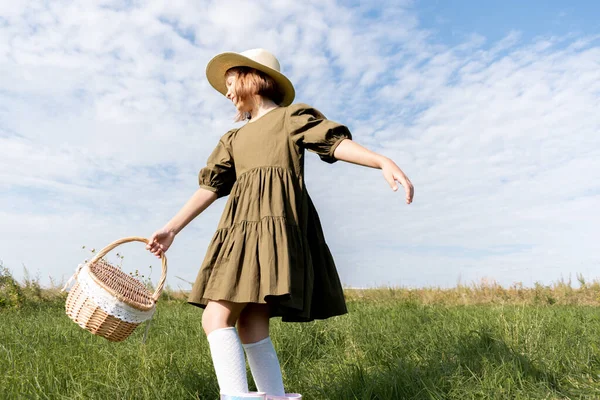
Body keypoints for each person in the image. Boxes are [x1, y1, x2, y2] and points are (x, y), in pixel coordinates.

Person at [146, 48, 414, 399]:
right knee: (250, 323)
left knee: (214, 318)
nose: (227, 94)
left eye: (230, 84)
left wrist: (380, 160)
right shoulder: (233, 139)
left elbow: (335, 144)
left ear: (252, 80)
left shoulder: (290, 118)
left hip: (274, 232)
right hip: (241, 231)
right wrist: (172, 228)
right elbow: (209, 188)